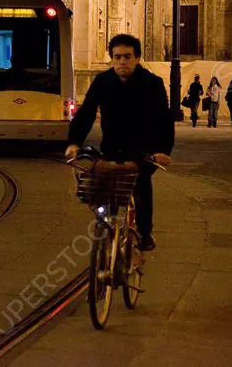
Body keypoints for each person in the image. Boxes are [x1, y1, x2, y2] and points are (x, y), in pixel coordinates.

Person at [65, 34, 174, 252]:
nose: (122, 62)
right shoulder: (103, 81)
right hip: (112, 148)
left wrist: (162, 150)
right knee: (104, 191)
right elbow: (86, 113)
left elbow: (164, 119)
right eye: (117, 57)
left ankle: (145, 232)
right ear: (111, 59)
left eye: (127, 57)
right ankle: (108, 228)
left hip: (141, 151)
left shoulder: (152, 83)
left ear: (137, 58)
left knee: (141, 188)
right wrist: (74, 142)